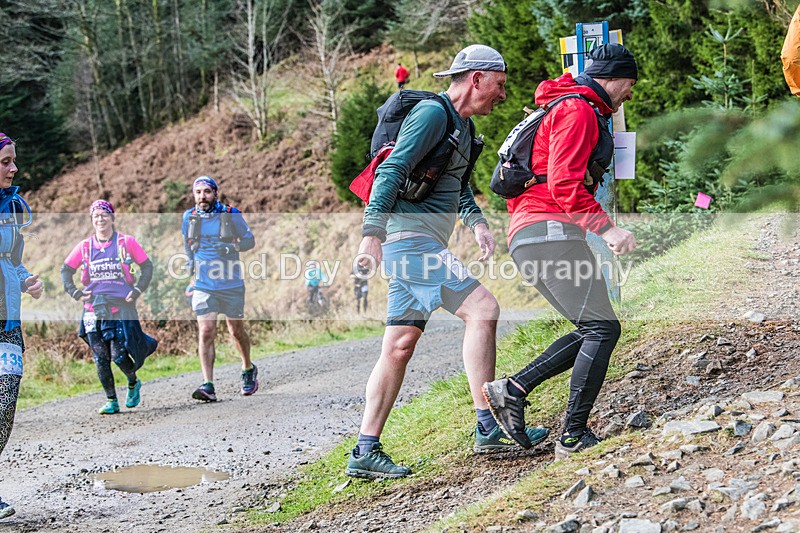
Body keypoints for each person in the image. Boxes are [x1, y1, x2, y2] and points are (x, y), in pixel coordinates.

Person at [346, 44, 548, 480]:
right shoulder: (433, 114)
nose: (503, 94)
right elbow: (392, 170)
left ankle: (365, 449)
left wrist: (477, 223)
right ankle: (488, 425)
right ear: (477, 78)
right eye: (500, 84)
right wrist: (371, 234)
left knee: (399, 346)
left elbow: (457, 184)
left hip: (417, 242)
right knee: (484, 309)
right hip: (410, 241)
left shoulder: (464, 129)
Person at [482, 43, 638, 460]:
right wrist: (607, 229)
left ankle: (513, 389)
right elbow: (564, 183)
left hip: (534, 236)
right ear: (614, 77)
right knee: (602, 329)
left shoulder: (566, 106)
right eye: (630, 83)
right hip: (550, 234)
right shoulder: (578, 110)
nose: (630, 93)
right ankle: (572, 435)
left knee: (594, 328)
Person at [62, 200, 157, 414]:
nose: (100, 219)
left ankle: (133, 381)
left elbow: (147, 267)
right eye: (96, 215)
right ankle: (111, 401)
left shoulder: (126, 242)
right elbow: (66, 270)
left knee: (119, 356)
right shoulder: (85, 247)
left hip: (120, 308)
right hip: (92, 309)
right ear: (91, 220)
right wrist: (76, 292)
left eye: (104, 214)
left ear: (112, 218)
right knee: (100, 358)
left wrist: (137, 290)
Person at [183, 176, 257, 402]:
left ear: (215, 193)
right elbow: (188, 244)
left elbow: (249, 241)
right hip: (204, 284)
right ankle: (208, 384)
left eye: (207, 191)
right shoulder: (189, 217)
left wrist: (230, 248)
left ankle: (248, 368)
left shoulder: (231, 214)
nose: (202, 196)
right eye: (198, 192)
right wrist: (190, 265)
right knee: (206, 331)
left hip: (231, 284)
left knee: (235, 331)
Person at [0, 133, 43, 519]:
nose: (14, 168)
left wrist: (26, 277)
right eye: (5, 162)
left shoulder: (13, 205)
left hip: (8, 319)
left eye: (13, 160)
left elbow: (13, 258)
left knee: (5, 404)